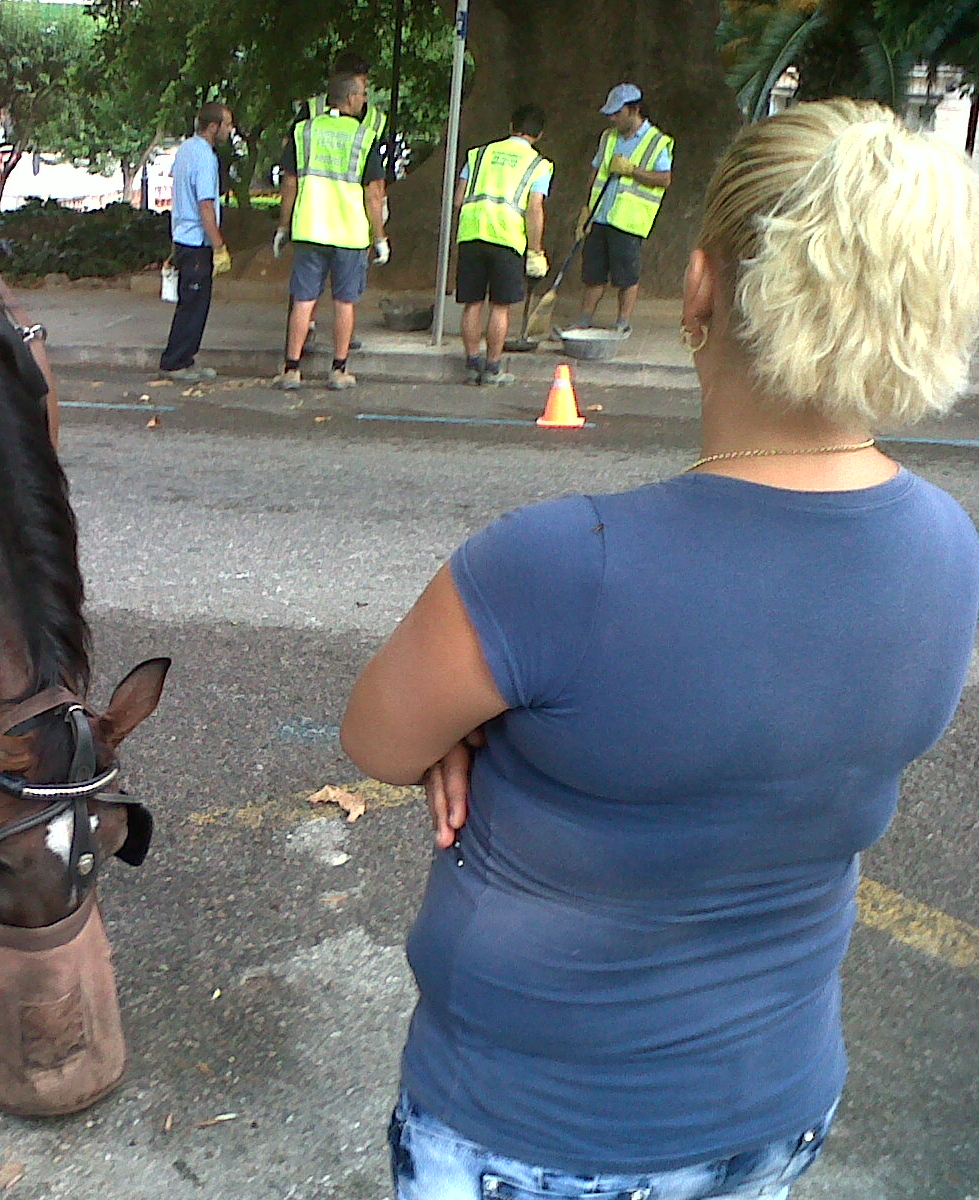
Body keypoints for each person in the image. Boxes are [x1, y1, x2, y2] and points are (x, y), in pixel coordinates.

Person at [342, 99, 979, 1200]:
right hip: (776, 1108)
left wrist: (479, 723)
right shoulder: (948, 548)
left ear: (698, 288)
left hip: (528, 1133)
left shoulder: (560, 565)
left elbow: (378, 739)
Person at [272, 73, 390, 392]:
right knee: (344, 302)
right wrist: (379, 237)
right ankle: (338, 370)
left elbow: (290, 184)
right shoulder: (364, 137)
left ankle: (291, 369)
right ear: (350, 98)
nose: (365, 99)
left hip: (309, 228)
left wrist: (284, 227)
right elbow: (374, 193)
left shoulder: (304, 132)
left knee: (304, 300)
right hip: (350, 234)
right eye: (363, 94)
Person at [452, 104, 551, 386]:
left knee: (472, 303)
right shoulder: (539, 165)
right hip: (507, 237)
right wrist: (535, 250)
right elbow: (534, 209)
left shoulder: (479, 154)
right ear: (539, 134)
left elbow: (459, 199)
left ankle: (472, 364)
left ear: (511, 126)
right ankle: (493, 368)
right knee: (500, 305)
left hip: (471, 233)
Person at [569, 83, 672, 334]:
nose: (612, 118)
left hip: (628, 220)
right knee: (593, 272)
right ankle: (584, 319)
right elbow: (595, 173)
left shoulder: (656, 141)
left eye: (617, 113)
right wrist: (586, 209)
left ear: (635, 109)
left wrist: (632, 171)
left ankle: (622, 323)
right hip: (600, 215)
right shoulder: (608, 137)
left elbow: (664, 179)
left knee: (626, 275)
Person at [159, 102, 234, 383]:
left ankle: (185, 358)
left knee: (190, 302)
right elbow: (205, 205)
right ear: (213, 127)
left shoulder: (186, 150)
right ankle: (175, 361)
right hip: (196, 242)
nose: (230, 130)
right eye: (226, 124)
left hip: (182, 237)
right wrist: (218, 246)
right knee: (194, 305)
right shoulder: (205, 157)